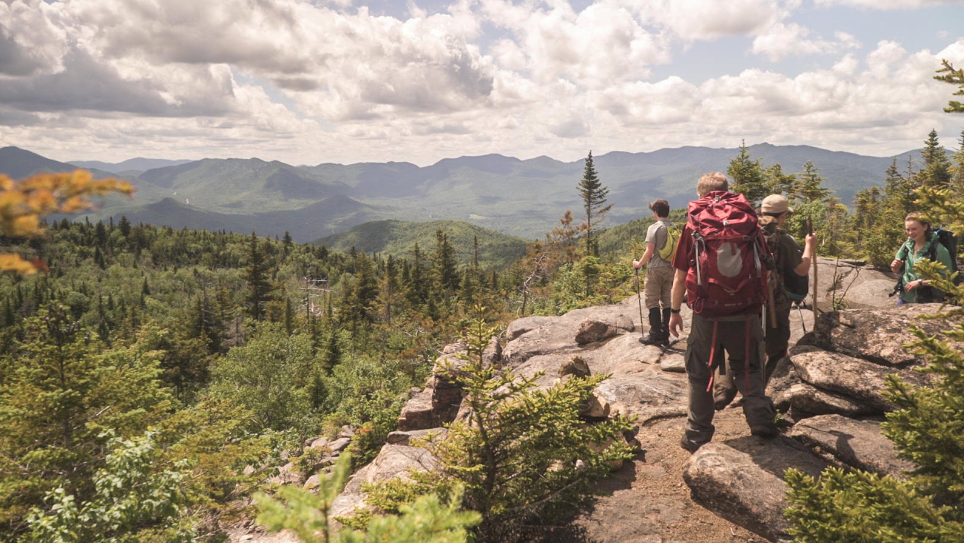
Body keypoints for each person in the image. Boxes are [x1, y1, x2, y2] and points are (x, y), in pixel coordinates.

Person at [668, 172, 776, 453]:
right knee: (749, 366)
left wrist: (674, 311)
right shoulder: (748, 219)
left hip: (708, 315)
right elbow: (766, 264)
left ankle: (697, 436)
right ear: (728, 191)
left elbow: (680, 276)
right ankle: (761, 422)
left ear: (701, 193)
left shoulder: (694, 223)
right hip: (747, 309)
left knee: (700, 372)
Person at [713, 194, 815, 409]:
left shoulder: (744, 231)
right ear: (784, 215)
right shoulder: (784, 239)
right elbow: (802, 269)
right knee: (777, 350)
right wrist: (809, 246)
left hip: (742, 298)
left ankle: (723, 390)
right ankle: (757, 393)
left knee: (738, 347)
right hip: (772, 303)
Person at [632, 199, 675, 345]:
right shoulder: (673, 227)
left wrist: (638, 264)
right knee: (667, 301)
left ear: (656, 212)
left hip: (655, 269)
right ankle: (665, 334)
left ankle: (655, 335)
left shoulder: (654, 228)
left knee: (652, 301)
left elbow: (649, 252)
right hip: (671, 269)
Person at [890, 212, 953, 305]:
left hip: (927, 299)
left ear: (925, 227)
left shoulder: (938, 250)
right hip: (905, 297)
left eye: (914, 229)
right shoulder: (906, 246)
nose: (910, 233)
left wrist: (921, 282)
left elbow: (946, 280)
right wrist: (894, 267)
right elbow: (897, 270)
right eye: (908, 230)